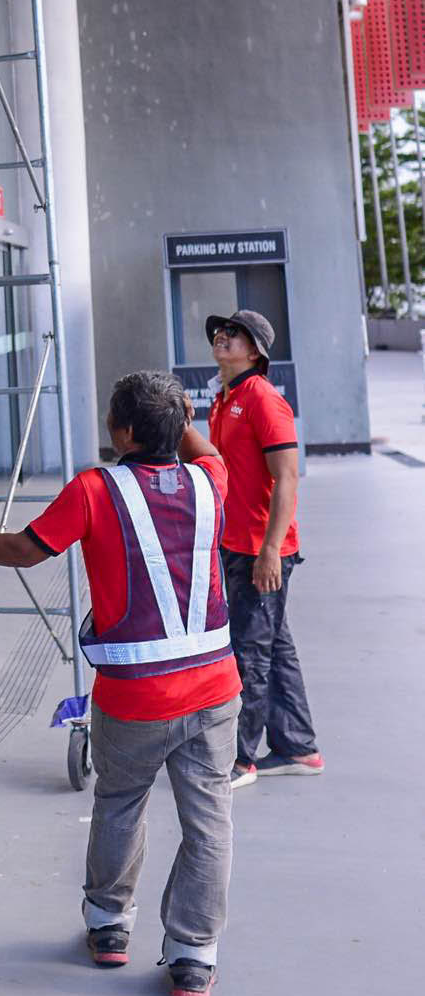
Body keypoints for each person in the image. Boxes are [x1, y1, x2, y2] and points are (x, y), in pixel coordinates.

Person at [0, 370, 240, 996]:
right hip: (213, 690)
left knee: (121, 802)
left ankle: (109, 926)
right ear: (177, 428)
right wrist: (174, 418)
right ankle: (194, 958)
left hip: (133, 696)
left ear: (120, 431)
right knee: (210, 826)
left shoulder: (95, 490)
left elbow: (22, 550)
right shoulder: (211, 481)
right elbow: (206, 450)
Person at [195, 309, 323, 786]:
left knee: (249, 650)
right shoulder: (225, 397)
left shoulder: (264, 400)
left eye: (235, 333)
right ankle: (297, 746)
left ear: (256, 352)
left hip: (260, 550)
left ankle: (240, 759)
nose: (222, 337)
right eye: (220, 332)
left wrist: (272, 550)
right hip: (236, 542)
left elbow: (287, 477)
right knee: (274, 645)